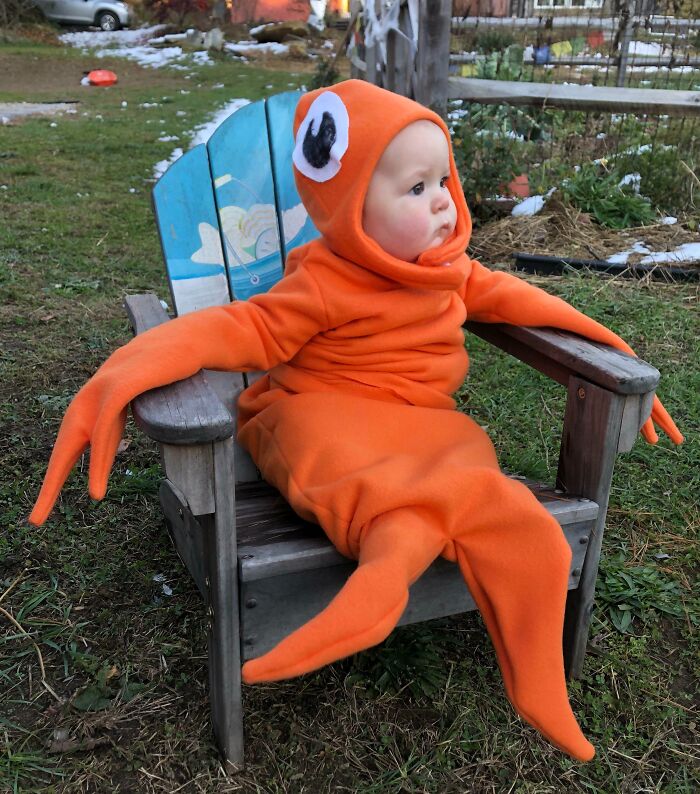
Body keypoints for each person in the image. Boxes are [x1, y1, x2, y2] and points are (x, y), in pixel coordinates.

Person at [29, 80, 682, 762]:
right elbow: (244, 326)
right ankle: (383, 572)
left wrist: (615, 352)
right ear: (352, 210)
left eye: (443, 180)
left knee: (489, 492)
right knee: (351, 463)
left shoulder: (447, 270)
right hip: (314, 411)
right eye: (414, 188)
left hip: (419, 419)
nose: (441, 200)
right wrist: (128, 367)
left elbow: (524, 300)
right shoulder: (324, 280)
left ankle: (520, 671)